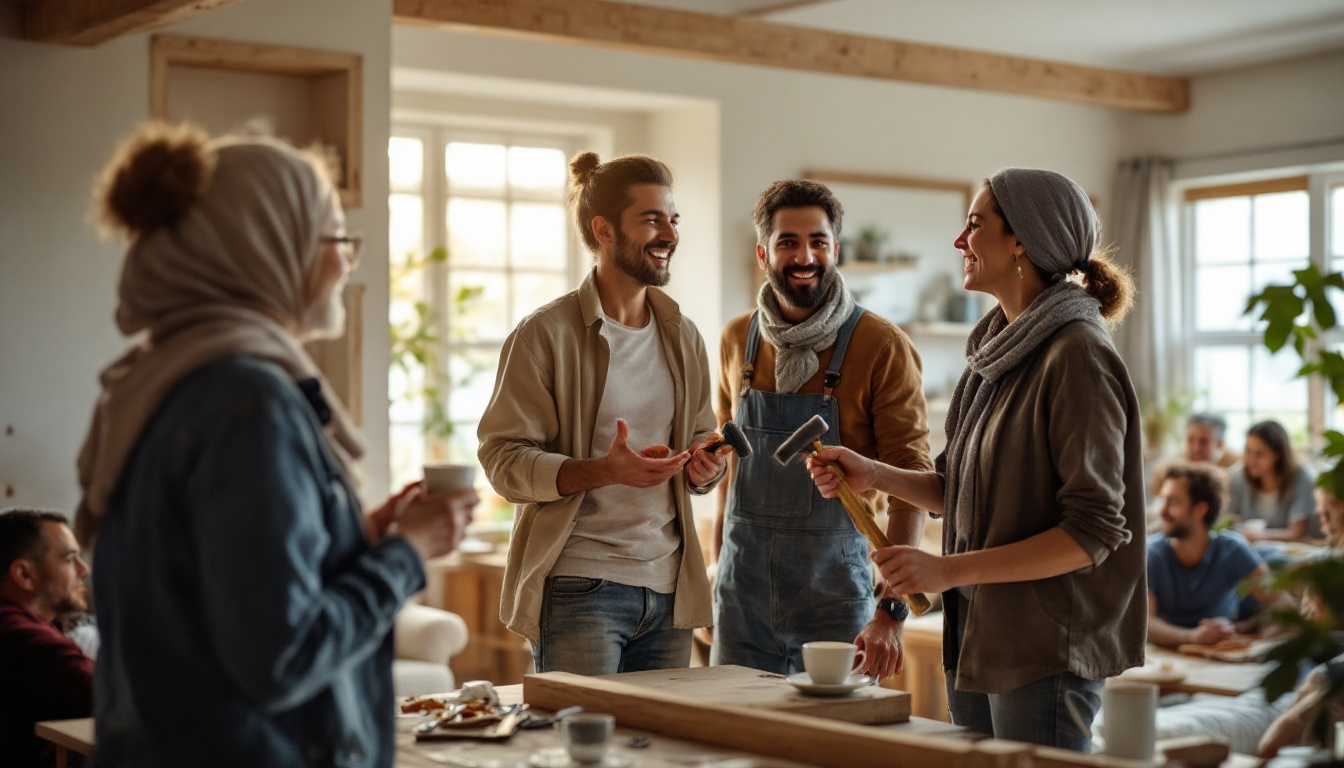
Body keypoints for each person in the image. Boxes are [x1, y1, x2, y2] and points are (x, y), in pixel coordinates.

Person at [79, 123, 476, 767]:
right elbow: (282, 659)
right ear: (263, 245)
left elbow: (218, 589)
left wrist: (358, 542)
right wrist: (408, 553)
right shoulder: (247, 403)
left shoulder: (163, 383)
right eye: (335, 238)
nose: (347, 260)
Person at [809, 168, 1146, 751]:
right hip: (979, 636)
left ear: (1021, 241)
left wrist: (947, 571)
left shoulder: (1078, 355)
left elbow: (1091, 533)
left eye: (974, 225)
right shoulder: (996, 353)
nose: (959, 241)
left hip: (1043, 648)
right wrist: (874, 473)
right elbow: (956, 486)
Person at [478, 152, 725, 676]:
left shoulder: (683, 335)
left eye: (673, 219)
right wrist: (600, 471)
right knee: (581, 733)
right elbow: (502, 459)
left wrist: (706, 466)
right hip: (579, 587)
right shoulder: (544, 335)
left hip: (670, 590)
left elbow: (701, 436)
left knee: (662, 735)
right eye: (652, 220)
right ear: (604, 230)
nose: (670, 235)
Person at [711, 179, 931, 679]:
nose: (804, 256)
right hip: (739, 601)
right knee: (734, 725)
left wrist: (891, 611)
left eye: (818, 241)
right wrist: (715, 569)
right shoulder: (737, 339)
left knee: (830, 728)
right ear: (764, 253)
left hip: (836, 603)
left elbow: (911, 485)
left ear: (836, 249)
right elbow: (730, 469)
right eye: (788, 242)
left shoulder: (881, 345)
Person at [0, 510, 94, 768]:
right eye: (70, 559)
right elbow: (118, 699)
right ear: (24, 575)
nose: (84, 570)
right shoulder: (20, 635)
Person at [1146, 463, 1269, 648]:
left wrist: (1244, 628)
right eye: (1162, 500)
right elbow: (1144, 622)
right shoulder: (1151, 553)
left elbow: (1281, 603)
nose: (1162, 511)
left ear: (1200, 510)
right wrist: (1191, 636)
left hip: (1219, 652)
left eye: (1173, 502)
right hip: (1165, 654)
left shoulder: (1232, 550)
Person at [1228, 421, 1316, 542]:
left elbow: (1297, 532)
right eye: (1248, 451)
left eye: (1259, 454)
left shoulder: (1303, 478)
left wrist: (1259, 536)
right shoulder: (1237, 476)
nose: (1250, 460)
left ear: (1277, 454)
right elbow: (1225, 520)